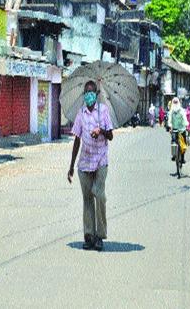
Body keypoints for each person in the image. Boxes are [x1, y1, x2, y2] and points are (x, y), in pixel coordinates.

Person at [68, 80, 113, 251]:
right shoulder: (81, 114)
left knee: (99, 195)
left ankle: (100, 235)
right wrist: (71, 166)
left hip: (101, 160)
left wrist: (100, 130)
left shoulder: (103, 111)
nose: (88, 95)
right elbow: (77, 140)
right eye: (86, 92)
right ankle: (89, 235)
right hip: (84, 162)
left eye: (91, 92)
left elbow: (111, 136)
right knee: (87, 200)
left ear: (96, 93)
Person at [168, 97, 189, 164]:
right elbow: (169, 120)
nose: (175, 103)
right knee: (173, 141)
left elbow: (185, 118)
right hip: (174, 130)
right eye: (174, 102)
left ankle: (182, 158)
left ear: (178, 103)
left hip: (182, 129)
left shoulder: (182, 110)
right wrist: (170, 127)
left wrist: (186, 125)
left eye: (176, 102)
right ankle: (174, 155)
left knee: (184, 144)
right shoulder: (171, 111)